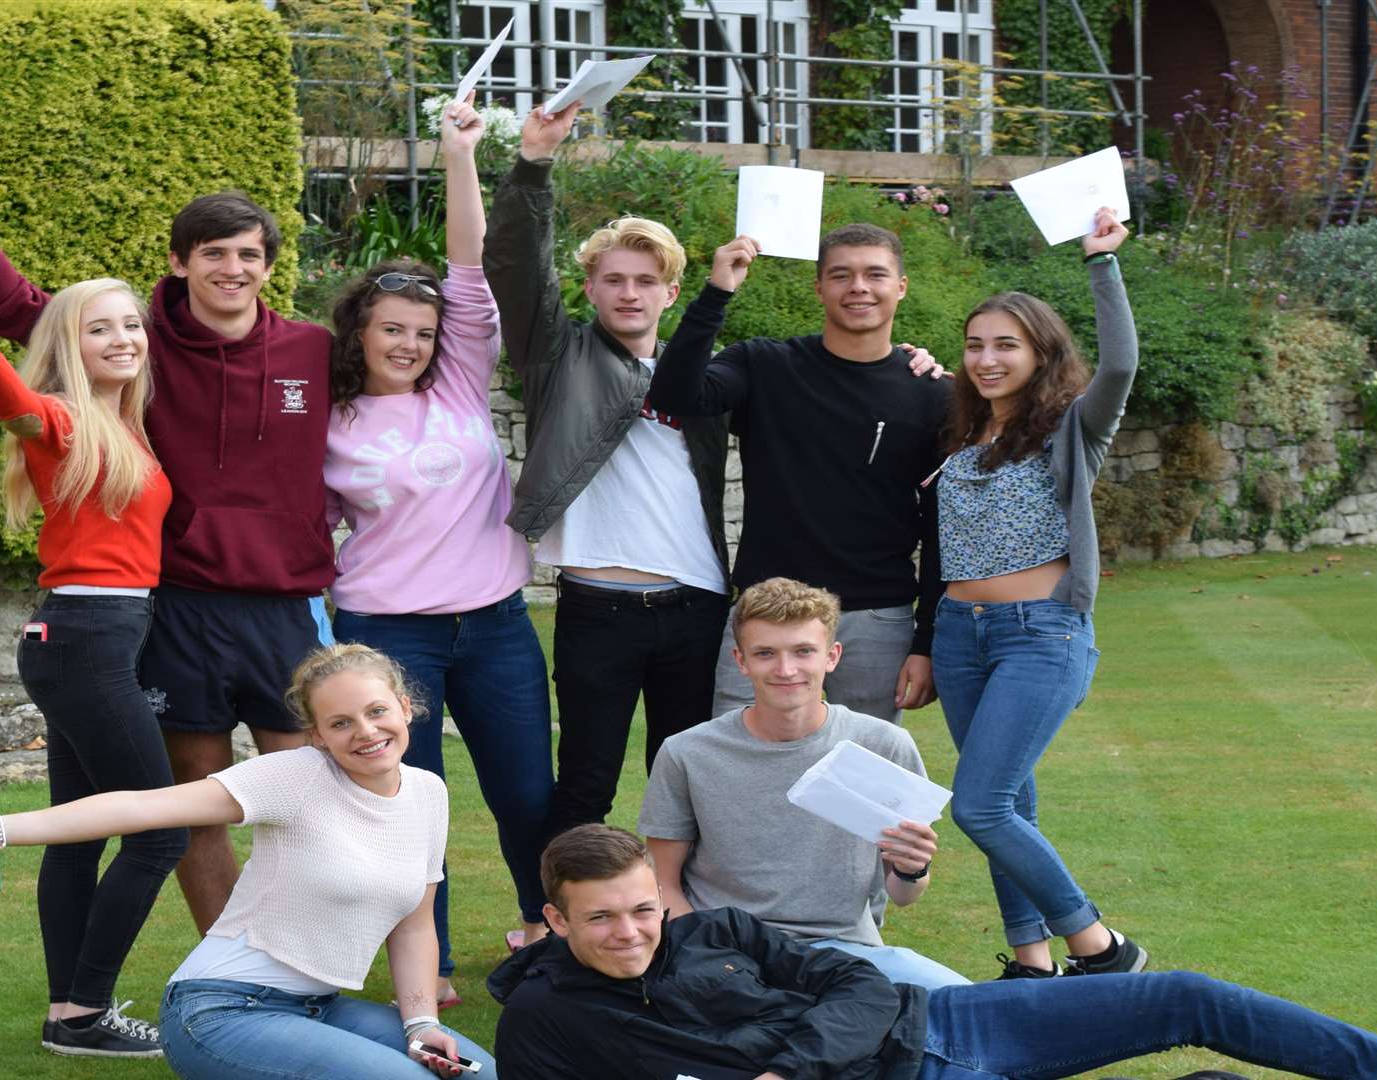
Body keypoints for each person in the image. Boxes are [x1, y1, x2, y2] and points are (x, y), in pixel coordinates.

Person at [0, 118, 335, 939]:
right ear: (179, 263)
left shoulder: (314, 349)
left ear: (270, 267)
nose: (232, 268)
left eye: (249, 254)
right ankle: (227, 971)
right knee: (190, 803)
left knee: (312, 799)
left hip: (286, 607)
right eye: (213, 252)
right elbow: (10, 305)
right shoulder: (138, 342)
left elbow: (415, 357)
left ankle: (313, 951)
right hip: (174, 607)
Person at [488, 824, 1377, 1080]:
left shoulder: (712, 930)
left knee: (1182, 994)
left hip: (943, 1021)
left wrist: (787, 1066)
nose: (632, 931)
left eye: (641, 910)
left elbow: (853, 981)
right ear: (558, 919)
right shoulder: (546, 1018)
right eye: (606, 919)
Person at [0, 644, 493, 1079]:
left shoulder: (427, 793)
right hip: (219, 1011)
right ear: (316, 736)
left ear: (407, 706)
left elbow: (415, 924)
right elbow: (144, 807)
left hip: (318, 1008)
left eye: (376, 711)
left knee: (479, 1072)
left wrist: (419, 1024)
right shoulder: (294, 777)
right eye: (340, 723)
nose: (365, 732)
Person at [0, 276, 185, 1056]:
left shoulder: (120, 425)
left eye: (132, 325)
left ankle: (70, 1015)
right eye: (102, 329)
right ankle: (85, 1012)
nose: (124, 339)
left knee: (76, 834)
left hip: (91, 637)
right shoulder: (61, 420)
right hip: (85, 639)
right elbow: (11, 402)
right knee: (159, 834)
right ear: (69, 343)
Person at [323, 95, 553, 1003]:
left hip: (493, 622)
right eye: (392, 330)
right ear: (361, 332)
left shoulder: (458, 380)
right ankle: (432, 961)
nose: (410, 344)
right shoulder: (332, 419)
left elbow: (467, 267)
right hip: (387, 632)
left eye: (421, 333)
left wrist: (461, 153)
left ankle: (546, 931)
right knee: (405, 805)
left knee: (527, 795)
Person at [482, 101, 732, 839]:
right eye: (614, 279)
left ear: (671, 293)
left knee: (685, 777)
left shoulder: (712, 379)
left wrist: (916, 365)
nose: (630, 292)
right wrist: (533, 163)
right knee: (586, 777)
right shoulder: (557, 357)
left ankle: (683, 926)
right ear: (590, 289)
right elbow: (515, 263)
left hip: (698, 607)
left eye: (646, 280)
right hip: (599, 609)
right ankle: (563, 924)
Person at [929, 209, 1145, 981]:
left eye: (1006, 346)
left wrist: (1102, 265)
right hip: (961, 634)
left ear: (1041, 353)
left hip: (1039, 634)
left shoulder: (1070, 428)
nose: (987, 359)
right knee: (1008, 808)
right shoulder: (961, 433)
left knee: (978, 804)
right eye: (976, 345)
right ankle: (1030, 963)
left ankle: (1101, 947)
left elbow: (1119, 365)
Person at [648, 223, 947, 724]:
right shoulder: (765, 365)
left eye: (875, 274)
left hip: (874, 621)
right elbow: (674, 396)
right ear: (819, 287)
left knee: (858, 787)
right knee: (738, 769)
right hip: (765, 616)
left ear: (901, 286)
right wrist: (717, 291)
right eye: (840, 275)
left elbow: (944, 529)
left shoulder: (934, 394)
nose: (858, 287)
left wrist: (927, 641)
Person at [638, 577, 968, 989]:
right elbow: (660, 882)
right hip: (728, 953)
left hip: (846, 952)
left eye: (803, 652)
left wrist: (912, 868)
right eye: (765, 654)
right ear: (741, 661)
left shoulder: (882, 745)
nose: (785, 669)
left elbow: (903, 895)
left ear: (832, 656)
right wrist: (705, 956)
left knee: (967, 1007)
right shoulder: (688, 752)